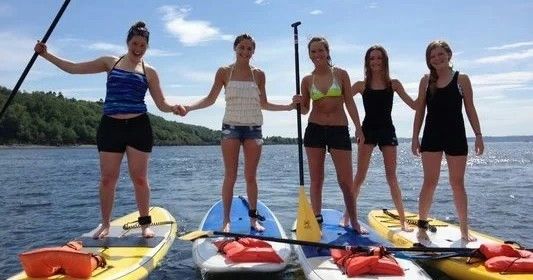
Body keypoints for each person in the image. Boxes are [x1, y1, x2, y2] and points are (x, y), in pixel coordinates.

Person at [34, 21, 182, 239]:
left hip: (138, 127)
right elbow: (74, 68)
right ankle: (105, 224)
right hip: (110, 127)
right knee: (107, 179)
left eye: (143, 45)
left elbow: (161, 104)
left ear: (147, 47)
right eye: (135, 43)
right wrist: (46, 55)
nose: (138, 48)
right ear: (128, 41)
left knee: (140, 179)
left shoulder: (149, 72)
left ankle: (144, 224)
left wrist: (173, 108)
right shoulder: (110, 62)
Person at [180, 34, 297, 232]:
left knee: (251, 176)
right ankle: (226, 221)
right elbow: (210, 99)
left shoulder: (259, 74)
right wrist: (188, 108)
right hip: (230, 128)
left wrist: (289, 107)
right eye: (241, 47)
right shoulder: (224, 72)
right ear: (235, 48)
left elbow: (264, 104)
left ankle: (253, 220)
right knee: (230, 176)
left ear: (253, 51)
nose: (245, 52)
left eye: (249, 48)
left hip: (253, 129)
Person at [412, 40, 484, 242]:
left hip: (456, 135)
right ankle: (422, 227)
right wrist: (415, 137)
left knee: (457, 183)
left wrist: (478, 134)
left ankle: (464, 230)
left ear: (449, 54)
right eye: (432, 56)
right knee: (430, 182)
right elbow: (420, 112)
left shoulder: (462, 79)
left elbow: (470, 108)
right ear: (429, 60)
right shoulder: (426, 81)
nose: (437, 58)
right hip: (432, 136)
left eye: (440, 54)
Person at [340, 45, 416, 231]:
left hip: (387, 130)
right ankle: (346, 216)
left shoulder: (394, 84)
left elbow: (414, 105)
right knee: (360, 176)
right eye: (372, 58)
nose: (375, 61)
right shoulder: (360, 85)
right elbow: (341, 101)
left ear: (384, 61)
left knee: (392, 177)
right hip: (367, 131)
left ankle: (402, 220)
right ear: (367, 62)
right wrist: (356, 127)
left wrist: (429, 87)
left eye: (379, 58)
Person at [298, 37, 366, 234]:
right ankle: (316, 219)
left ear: (327, 51)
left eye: (321, 50)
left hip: (339, 130)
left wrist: (358, 128)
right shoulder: (307, 80)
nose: (317, 55)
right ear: (309, 55)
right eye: (313, 52)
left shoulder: (341, 74)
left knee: (345, 180)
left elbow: (350, 103)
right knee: (316, 179)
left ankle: (353, 221)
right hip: (315, 130)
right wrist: (299, 101)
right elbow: (304, 110)